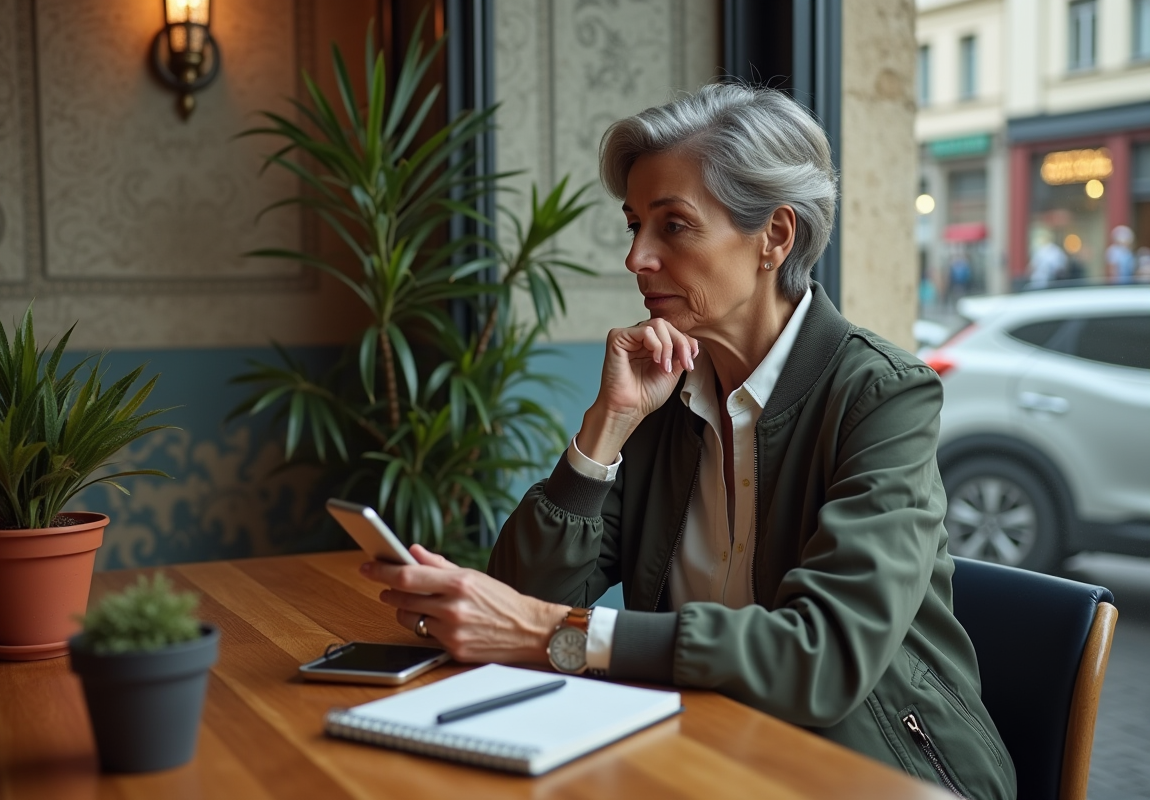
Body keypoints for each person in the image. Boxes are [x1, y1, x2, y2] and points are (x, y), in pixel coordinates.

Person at [360, 84, 1017, 798]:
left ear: (775, 236)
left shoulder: (882, 394)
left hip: (880, 773)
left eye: (672, 226)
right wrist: (604, 430)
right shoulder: (664, 391)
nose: (636, 257)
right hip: (704, 755)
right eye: (634, 224)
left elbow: (821, 661)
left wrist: (562, 635)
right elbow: (519, 597)